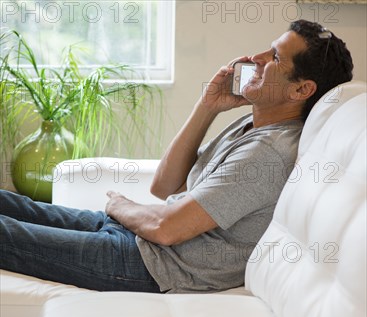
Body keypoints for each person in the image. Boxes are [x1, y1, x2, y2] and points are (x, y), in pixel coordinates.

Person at [0, 20, 353, 293]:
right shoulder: (254, 124)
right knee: (11, 204)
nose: (256, 60)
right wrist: (208, 107)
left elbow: (166, 229)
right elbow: (164, 185)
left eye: (274, 58)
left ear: (301, 89)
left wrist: (118, 205)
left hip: (147, 265)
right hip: (138, 241)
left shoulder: (269, 152)